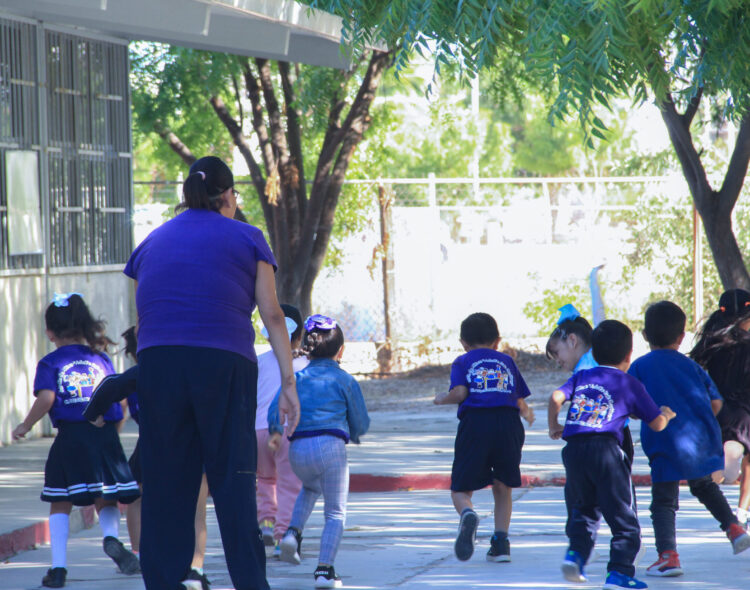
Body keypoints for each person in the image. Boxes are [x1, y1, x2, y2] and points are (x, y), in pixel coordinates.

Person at [123, 155, 300, 590]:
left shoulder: (150, 243)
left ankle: (165, 582)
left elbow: (145, 320)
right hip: (223, 365)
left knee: (166, 484)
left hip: (160, 365)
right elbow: (274, 316)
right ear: (227, 196)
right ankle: (250, 583)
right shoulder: (248, 237)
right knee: (233, 480)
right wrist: (288, 382)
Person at [12, 293, 140, 588]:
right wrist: (113, 434)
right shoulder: (101, 359)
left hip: (70, 437)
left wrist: (26, 424)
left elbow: (47, 398)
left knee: (61, 500)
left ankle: (58, 569)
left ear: (49, 332)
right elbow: (116, 399)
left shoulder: (50, 362)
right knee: (105, 495)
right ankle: (110, 538)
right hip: (103, 434)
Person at [548, 319, 675, 590]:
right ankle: (618, 573)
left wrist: (554, 425)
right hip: (607, 452)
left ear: (592, 353)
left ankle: (576, 555)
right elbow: (657, 424)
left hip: (574, 451)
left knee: (582, 509)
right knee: (623, 517)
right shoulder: (629, 383)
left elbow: (556, 398)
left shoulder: (581, 377)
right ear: (629, 356)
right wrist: (665, 413)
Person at [628, 301, 750, 577]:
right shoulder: (693, 367)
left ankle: (668, 556)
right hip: (700, 440)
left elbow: (633, 406)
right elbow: (716, 404)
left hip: (665, 442)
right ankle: (733, 527)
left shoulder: (640, 367)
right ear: (681, 337)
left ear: (645, 336)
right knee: (705, 486)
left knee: (664, 500)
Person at [86, 327, 212, 590]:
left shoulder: (142, 371)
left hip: (151, 445)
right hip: (191, 443)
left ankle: (141, 554)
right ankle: (195, 568)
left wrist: (94, 413)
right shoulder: (189, 363)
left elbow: (112, 388)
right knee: (196, 512)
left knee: (138, 501)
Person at [269, 314, 370, 589]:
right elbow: (360, 421)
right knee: (335, 513)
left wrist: (276, 432)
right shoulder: (345, 380)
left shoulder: (296, 378)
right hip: (330, 448)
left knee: (311, 488)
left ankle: (292, 533)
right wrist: (357, 433)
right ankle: (325, 572)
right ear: (341, 350)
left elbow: (274, 411)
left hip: (298, 449)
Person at [434, 312, 535, 564]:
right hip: (509, 424)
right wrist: (527, 414)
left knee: (460, 489)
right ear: (497, 341)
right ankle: (501, 544)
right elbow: (519, 398)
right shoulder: (507, 361)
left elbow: (460, 392)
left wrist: (441, 399)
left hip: (476, 424)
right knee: (503, 486)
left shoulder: (462, 361)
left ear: (463, 343)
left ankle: (468, 513)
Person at [690, 289, 750, 524]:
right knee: (745, 460)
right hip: (744, 413)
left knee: (722, 459)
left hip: (716, 410)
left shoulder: (712, 343)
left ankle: (723, 465)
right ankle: (742, 509)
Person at [256, 304, 308, 555]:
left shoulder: (257, 362)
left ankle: (266, 522)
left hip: (257, 430)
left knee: (265, 479)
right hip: (288, 430)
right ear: (300, 336)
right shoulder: (303, 365)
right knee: (289, 484)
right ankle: (283, 537)